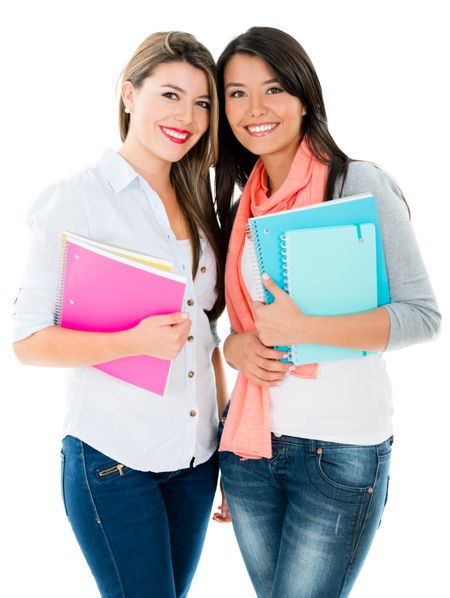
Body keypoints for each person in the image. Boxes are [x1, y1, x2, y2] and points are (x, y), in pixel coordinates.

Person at [214, 26, 441, 598]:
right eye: (236, 93)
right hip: (251, 452)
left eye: (272, 89)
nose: (255, 109)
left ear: (304, 96)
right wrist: (233, 348)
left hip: (338, 451)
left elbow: (422, 315)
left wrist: (307, 329)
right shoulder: (244, 206)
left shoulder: (354, 182)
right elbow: (240, 329)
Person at [12, 31, 228, 598]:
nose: (187, 116)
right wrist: (130, 341)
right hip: (113, 463)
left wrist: (228, 445)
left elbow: (206, 333)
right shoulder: (75, 199)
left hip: (196, 461)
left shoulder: (201, 203)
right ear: (129, 95)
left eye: (202, 102)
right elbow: (27, 341)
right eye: (170, 95)